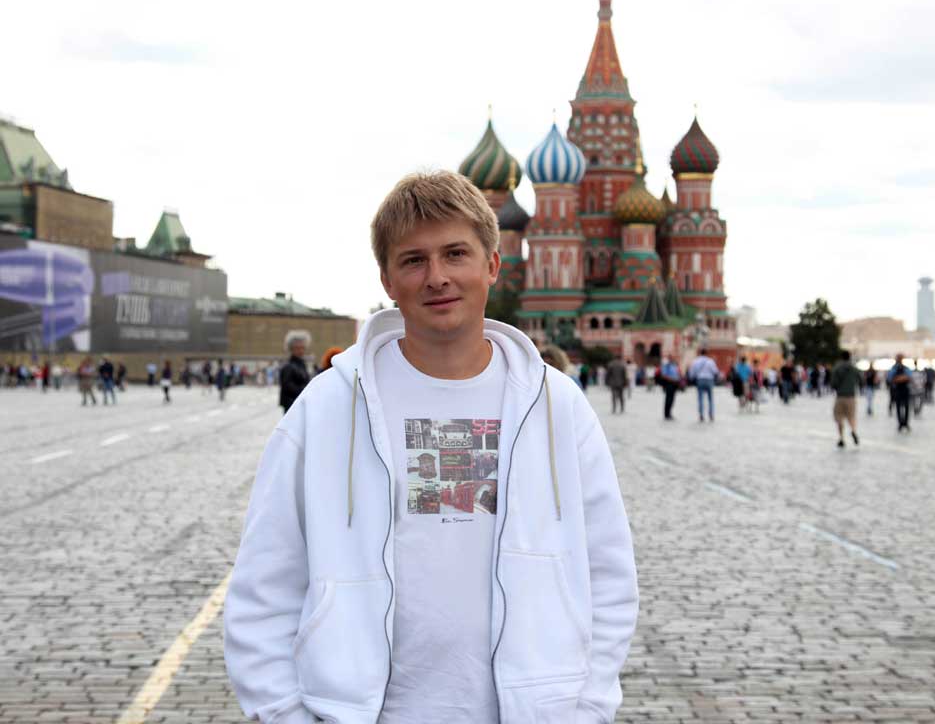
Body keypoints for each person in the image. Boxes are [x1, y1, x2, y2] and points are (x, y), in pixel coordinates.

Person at [224, 170, 638, 724]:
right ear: (388, 280)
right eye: (414, 260)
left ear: (492, 264)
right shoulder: (325, 409)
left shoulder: (557, 406)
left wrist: (586, 710)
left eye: (455, 254)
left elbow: (609, 576)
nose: (437, 277)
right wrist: (283, 713)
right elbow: (263, 587)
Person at [831, 350, 860, 448]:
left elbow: (833, 383)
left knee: (839, 417)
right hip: (851, 396)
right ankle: (853, 430)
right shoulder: (854, 368)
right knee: (851, 416)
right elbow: (860, 379)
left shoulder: (837, 368)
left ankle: (841, 438)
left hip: (840, 396)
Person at [279, 330, 312, 413]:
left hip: (300, 404)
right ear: (291, 349)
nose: (300, 351)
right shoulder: (288, 366)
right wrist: (305, 391)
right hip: (292, 405)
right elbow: (288, 386)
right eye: (297, 348)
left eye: (302, 348)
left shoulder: (302, 364)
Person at [688, 347, 720, 422]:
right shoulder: (710, 361)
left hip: (700, 380)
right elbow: (715, 371)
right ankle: (711, 414)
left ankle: (701, 415)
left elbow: (692, 372)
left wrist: (691, 378)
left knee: (700, 398)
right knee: (710, 399)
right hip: (709, 380)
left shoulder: (696, 361)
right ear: (706, 353)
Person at [888, 353, 913, 432]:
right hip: (898, 390)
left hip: (904, 389)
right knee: (898, 407)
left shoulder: (905, 368)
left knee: (906, 407)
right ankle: (900, 423)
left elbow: (909, 377)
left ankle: (905, 423)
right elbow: (890, 378)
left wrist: (897, 379)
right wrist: (902, 378)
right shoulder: (894, 368)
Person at [659, 354, 682, 420]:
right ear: (669, 358)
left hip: (675, 384)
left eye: (673, 357)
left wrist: (678, 378)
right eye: (671, 358)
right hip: (669, 384)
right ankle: (666, 414)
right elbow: (664, 375)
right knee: (668, 399)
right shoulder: (666, 365)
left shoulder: (674, 365)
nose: (672, 359)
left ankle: (670, 413)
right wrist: (672, 379)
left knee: (672, 399)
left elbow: (677, 373)